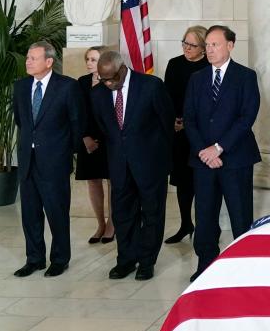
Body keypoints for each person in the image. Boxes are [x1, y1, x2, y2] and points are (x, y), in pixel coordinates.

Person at [184, 25, 261, 282]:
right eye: (206, 45)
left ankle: (243, 266)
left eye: (215, 45)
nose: (209, 50)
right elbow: (190, 118)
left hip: (235, 158)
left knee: (240, 215)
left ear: (230, 45)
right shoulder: (197, 78)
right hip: (203, 160)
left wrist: (219, 148)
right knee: (204, 215)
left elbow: (246, 117)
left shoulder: (246, 76)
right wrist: (203, 151)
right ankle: (206, 264)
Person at [90, 51, 174, 281]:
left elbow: (167, 124)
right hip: (118, 165)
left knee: (152, 213)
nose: (107, 84)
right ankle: (126, 260)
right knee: (122, 214)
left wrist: (164, 161)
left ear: (122, 69)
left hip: (151, 164)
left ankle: (147, 262)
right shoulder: (98, 94)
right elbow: (105, 130)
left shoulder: (151, 86)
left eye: (111, 79)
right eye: (103, 79)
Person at [12, 41, 84, 278]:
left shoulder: (67, 87)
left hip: (55, 161)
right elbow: (21, 121)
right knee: (30, 214)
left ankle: (60, 259)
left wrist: (65, 152)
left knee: (56, 212)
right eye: (28, 57)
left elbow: (76, 124)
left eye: (33, 58)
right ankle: (34, 259)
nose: (28, 61)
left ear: (49, 61)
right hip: (27, 160)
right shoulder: (21, 87)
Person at [163, 25, 210, 244]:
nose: (187, 48)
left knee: (200, 181)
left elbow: (209, 103)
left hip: (201, 133)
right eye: (184, 42)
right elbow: (167, 96)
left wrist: (188, 123)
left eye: (192, 45)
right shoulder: (174, 64)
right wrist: (173, 119)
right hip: (178, 132)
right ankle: (185, 223)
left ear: (203, 47)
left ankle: (204, 227)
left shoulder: (209, 66)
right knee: (182, 181)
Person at [76, 45, 114, 244]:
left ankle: (111, 224)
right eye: (88, 59)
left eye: (93, 59)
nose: (89, 63)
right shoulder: (81, 82)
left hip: (109, 139)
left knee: (113, 181)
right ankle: (100, 223)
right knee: (93, 180)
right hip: (87, 138)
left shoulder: (111, 82)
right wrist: (84, 138)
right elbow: (76, 113)